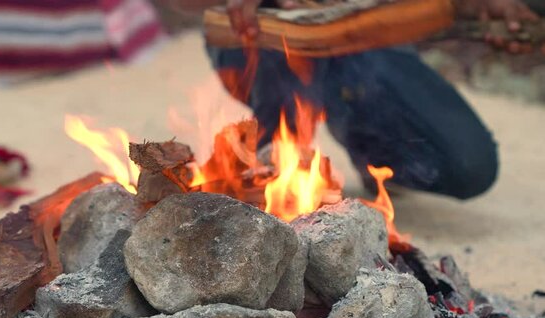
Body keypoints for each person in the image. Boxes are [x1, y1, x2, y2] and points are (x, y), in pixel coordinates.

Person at [170, 0, 542, 200]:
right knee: (287, 67)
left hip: (367, 36)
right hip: (265, 32)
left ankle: (376, 151)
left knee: (468, 166)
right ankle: (273, 163)